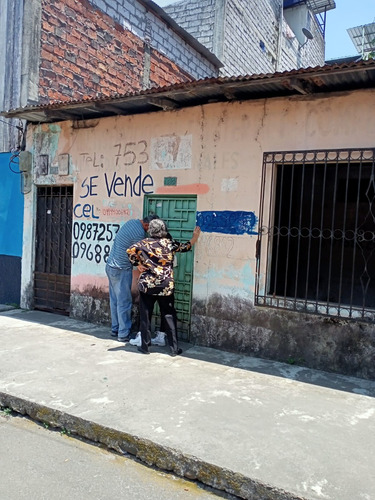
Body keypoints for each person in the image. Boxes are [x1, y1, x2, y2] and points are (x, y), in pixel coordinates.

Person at [126, 219, 201, 356]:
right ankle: (174, 349)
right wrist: (194, 238)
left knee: (146, 315)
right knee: (169, 315)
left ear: (151, 230)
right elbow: (185, 247)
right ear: (163, 230)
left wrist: (138, 264)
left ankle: (145, 346)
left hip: (148, 285)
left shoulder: (144, 243)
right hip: (165, 286)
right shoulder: (169, 244)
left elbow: (130, 251)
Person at [105, 215, 159, 341]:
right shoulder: (140, 233)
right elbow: (138, 253)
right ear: (147, 226)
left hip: (110, 266)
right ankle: (123, 334)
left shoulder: (131, 222)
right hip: (121, 269)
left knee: (115, 300)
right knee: (124, 302)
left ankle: (115, 329)